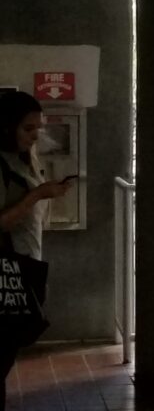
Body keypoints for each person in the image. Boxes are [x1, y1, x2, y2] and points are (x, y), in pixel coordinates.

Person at [0, 91, 72, 410]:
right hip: (7, 269)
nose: (35, 136)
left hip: (25, 263)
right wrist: (38, 194)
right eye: (28, 129)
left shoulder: (25, 159)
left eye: (38, 128)